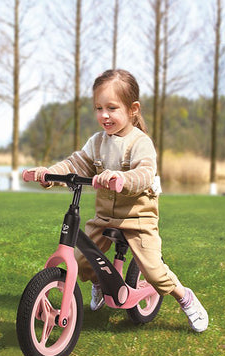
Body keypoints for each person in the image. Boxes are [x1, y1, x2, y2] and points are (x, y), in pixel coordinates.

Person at [28, 69, 208, 332]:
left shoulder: (140, 142)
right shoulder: (97, 141)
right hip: (105, 217)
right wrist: (50, 174)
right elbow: (76, 163)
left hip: (138, 218)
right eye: (98, 108)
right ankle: (102, 282)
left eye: (112, 108)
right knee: (79, 262)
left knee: (154, 272)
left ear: (132, 108)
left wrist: (123, 179)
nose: (104, 115)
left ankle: (184, 297)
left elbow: (145, 173)